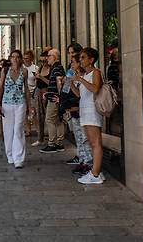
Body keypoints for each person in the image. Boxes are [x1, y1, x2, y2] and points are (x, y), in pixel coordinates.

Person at [73, 47, 105, 184]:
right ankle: (95, 170)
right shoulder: (85, 74)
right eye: (80, 58)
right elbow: (81, 95)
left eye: (83, 57)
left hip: (92, 111)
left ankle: (95, 174)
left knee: (96, 142)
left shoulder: (95, 72)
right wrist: (71, 84)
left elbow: (95, 88)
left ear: (91, 60)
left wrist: (80, 80)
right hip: (85, 110)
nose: (80, 60)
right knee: (91, 143)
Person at [0, 50, 33, 168]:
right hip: (7, 104)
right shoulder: (5, 71)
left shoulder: (24, 71)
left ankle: (19, 158)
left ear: (21, 59)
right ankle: (10, 155)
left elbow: (26, 89)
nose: (15, 59)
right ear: (10, 58)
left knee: (18, 130)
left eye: (18, 57)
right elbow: (0, 88)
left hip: (20, 104)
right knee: (8, 131)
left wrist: (30, 105)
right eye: (13, 57)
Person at [61, 53, 93, 176]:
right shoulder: (74, 75)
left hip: (81, 110)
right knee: (79, 138)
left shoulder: (85, 76)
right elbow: (72, 91)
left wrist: (76, 80)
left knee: (85, 138)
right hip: (74, 110)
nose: (71, 65)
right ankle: (83, 160)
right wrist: (68, 82)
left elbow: (81, 95)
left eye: (74, 62)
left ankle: (88, 163)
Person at [39, 49, 66, 153]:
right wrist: (48, 93)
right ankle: (59, 143)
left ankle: (52, 144)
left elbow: (59, 83)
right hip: (53, 96)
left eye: (49, 56)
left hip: (54, 99)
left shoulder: (57, 68)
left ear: (55, 57)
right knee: (57, 120)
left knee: (49, 120)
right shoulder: (56, 68)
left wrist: (60, 97)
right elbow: (55, 83)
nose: (47, 58)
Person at [32, 50, 50, 146]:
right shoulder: (40, 68)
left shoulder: (51, 69)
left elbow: (51, 83)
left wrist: (41, 78)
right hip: (39, 93)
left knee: (49, 117)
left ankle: (52, 139)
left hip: (47, 93)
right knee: (39, 116)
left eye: (44, 61)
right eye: (41, 61)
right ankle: (40, 138)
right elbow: (37, 82)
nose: (43, 63)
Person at [23, 50, 39, 138]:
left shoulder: (35, 68)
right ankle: (28, 130)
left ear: (31, 58)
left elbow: (38, 81)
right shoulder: (21, 68)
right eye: (24, 58)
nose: (25, 60)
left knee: (34, 112)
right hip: (23, 93)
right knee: (25, 112)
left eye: (27, 58)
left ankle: (38, 130)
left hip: (33, 93)